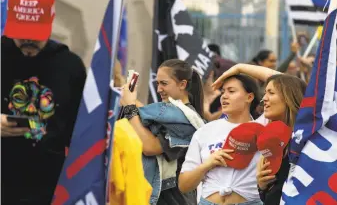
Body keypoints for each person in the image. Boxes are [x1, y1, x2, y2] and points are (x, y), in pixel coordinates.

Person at [1, 0, 86, 205]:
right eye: (21, 36)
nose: (28, 43)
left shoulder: (70, 66)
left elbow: (82, 132)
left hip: (50, 189)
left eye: (35, 36)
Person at [212, 63, 306, 205]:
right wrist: (262, 186)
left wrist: (240, 68)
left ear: (289, 96)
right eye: (265, 93)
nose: (264, 99)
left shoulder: (308, 135)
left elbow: (287, 81)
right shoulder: (267, 135)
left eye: (271, 93)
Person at [120, 59, 205, 205]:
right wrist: (130, 102)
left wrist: (129, 107)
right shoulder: (166, 113)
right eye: (157, 83)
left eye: (164, 83)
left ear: (182, 84)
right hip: (156, 195)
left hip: (174, 198)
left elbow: (149, 147)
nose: (159, 89)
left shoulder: (188, 120)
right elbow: (147, 112)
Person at [179, 74, 268, 205]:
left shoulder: (263, 130)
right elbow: (184, 185)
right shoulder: (205, 131)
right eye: (223, 92)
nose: (224, 96)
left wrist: (239, 68)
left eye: (231, 91)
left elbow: (286, 84)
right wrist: (207, 165)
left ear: (249, 97)